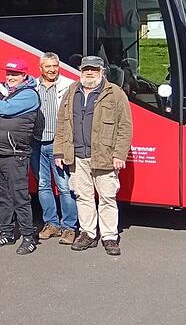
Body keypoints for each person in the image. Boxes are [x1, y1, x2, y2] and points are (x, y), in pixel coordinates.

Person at [54, 56, 132, 256]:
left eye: (94, 70)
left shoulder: (115, 93)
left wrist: (119, 154)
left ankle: (109, 237)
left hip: (104, 156)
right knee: (83, 197)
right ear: (80, 71)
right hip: (78, 156)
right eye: (86, 69)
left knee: (107, 197)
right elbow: (62, 123)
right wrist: (60, 151)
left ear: (102, 72)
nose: (89, 73)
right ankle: (88, 233)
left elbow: (125, 126)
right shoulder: (72, 91)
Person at [0, 58, 41, 255]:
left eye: (15, 74)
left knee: (20, 197)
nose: (10, 77)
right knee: (1, 196)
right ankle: (6, 232)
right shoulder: (3, 93)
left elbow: (6, 110)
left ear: (24, 75)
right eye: (8, 74)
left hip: (16, 154)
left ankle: (29, 237)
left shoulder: (29, 94)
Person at [33, 52, 77, 245]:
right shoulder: (32, 86)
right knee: (43, 185)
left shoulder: (68, 86)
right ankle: (51, 224)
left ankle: (69, 227)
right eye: (48, 66)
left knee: (64, 187)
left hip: (57, 143)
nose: (52, 70)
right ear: (40, 68)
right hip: (36, 143)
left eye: (55, 66)